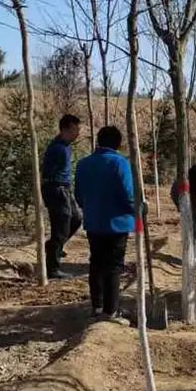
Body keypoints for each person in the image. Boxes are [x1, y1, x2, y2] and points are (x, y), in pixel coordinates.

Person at [74, 126, 134, 324]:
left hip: (94, 222)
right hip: (117, 223)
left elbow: (78, 194)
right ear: (118, 144)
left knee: (97, 263)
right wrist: (137, 210)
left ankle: (97, 306)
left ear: (98, 141)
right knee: (114, 266)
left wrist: (91, 209)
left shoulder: (83, 164)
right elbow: (128, 194)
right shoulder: (120, 163)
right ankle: (111, 310)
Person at [41, 114, 82, 279]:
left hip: (65, 188)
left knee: (76, 219)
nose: (77, 133)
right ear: (64, 130)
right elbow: (46, 172)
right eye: (74, 130)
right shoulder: (56, 148)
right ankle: (52, 268)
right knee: (60, 227)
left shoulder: (66, 146)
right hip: (56, 189)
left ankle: (53, 247)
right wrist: (51, 189)